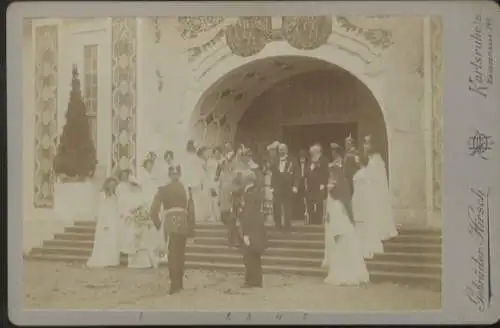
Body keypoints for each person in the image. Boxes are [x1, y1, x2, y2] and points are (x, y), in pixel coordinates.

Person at [150, 165, 195, 294]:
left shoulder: (163, 189)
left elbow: (153, 210)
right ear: (178, 175)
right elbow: (191, 210)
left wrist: (158, 224)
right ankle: (179, 283)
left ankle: (175, 285)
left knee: (173, 254)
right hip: (183, 223)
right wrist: (191, 228)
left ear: (169, 175)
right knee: (180, 254)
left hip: (170, 223)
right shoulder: (186, 189)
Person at [324, 172, 370, 286]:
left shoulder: (335, 205)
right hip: (347, 231)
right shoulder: (341, 204)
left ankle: (343, 274)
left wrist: (335, 235)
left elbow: (337, 223)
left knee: (341, 255)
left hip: (341, 233)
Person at [363, 135, 398, 240]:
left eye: (367, 144)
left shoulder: (376, 161)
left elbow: (374, 178)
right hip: (373, 191)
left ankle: (381, 232)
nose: (364, 146)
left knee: (379, 211)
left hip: (377, 193)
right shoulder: (373, 160)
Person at [237, 170, 267, 288]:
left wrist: (246, 232)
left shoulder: (249, 193)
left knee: (249, 255)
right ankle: (255, 280)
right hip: (256, 228)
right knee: (254, 254)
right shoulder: (255, 192)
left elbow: (248, 214)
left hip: (251, 229)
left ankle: (252, 281)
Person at [352, 152, 384, 259]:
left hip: (360, 201)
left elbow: (358, 191)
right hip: (365, 201)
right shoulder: (367, 173)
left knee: (361, 224)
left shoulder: (360, 175)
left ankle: (363, 249)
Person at [87, 177, 120, 268]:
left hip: (114, 220)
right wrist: (104, 223)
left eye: (114, 185)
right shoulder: (102, 195)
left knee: (113, 240)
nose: (112, 187)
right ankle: (103, 258)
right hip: (105, 219)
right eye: (110, 185)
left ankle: (112, 260)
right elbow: (101, 209)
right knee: (104, 240)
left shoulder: (116, 196)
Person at [271, 143, 297, 231]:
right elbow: (273, 175)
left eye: (283, 149)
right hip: (277, 187)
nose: (281, 151)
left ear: (287, 150)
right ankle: (277, 224)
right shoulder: (275, 161)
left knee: (287, 207)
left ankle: (287, 226)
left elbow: (297, 175)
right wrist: (272, 186)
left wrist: (295, 186)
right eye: (280, 150)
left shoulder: (292, 160)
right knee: (276, 206)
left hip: (288, 187)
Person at [305, 144, 329, 225]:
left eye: (313, 152)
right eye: (311, 153)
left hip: (320, 186)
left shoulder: (324, 161)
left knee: (319, 204)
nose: (312, 154)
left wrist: (324, 183)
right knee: (310, 204)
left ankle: (319, 221)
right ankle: (312, 221)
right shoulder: (309, 161)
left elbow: (326, 173)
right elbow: (306, 173)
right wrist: (311, 168)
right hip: (310, 187)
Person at [293, 149, 309, 223]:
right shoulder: (296, 164)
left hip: (306, 182)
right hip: (298, 182)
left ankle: (305, 216)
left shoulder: (308, 164)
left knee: (305, 200)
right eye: (300, 157)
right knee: (297, 199)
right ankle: (297, 215)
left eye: (303, 156)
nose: (302, 159)